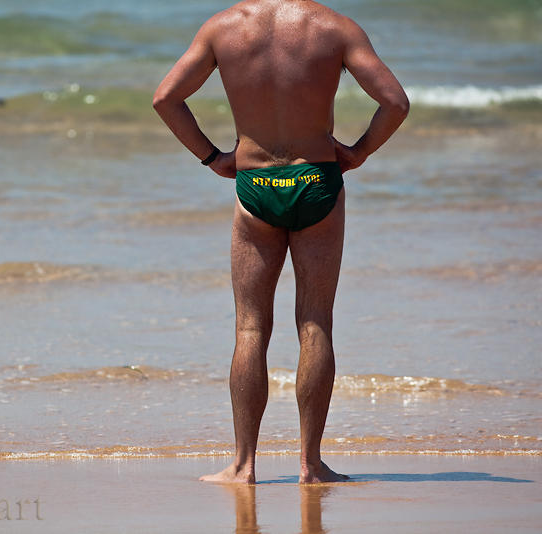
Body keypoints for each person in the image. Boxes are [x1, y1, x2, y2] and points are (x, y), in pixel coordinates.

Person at [153, 0, 408, 484]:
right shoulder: (334, 27)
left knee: (250, 329)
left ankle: (243, 465)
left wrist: (212, 157)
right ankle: (310, 466)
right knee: (315, 324)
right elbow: (395, 102)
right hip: (317, 183)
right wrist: (357, 153)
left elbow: (165, 98)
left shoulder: (222, 28)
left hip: (255, 185)